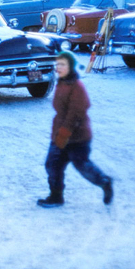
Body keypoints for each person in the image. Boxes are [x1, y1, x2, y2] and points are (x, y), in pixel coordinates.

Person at [37, 50, 113, 208]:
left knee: (82, 166)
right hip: (61, 133)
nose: (59, 67)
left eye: (63, 64)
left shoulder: (77, 86)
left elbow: (77, 111)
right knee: (52, 164)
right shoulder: (62, 82)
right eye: (57, 64)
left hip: (77, 137)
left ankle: (104, 182)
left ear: (70, 66)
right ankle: (56, 196)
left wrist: (64, 133)